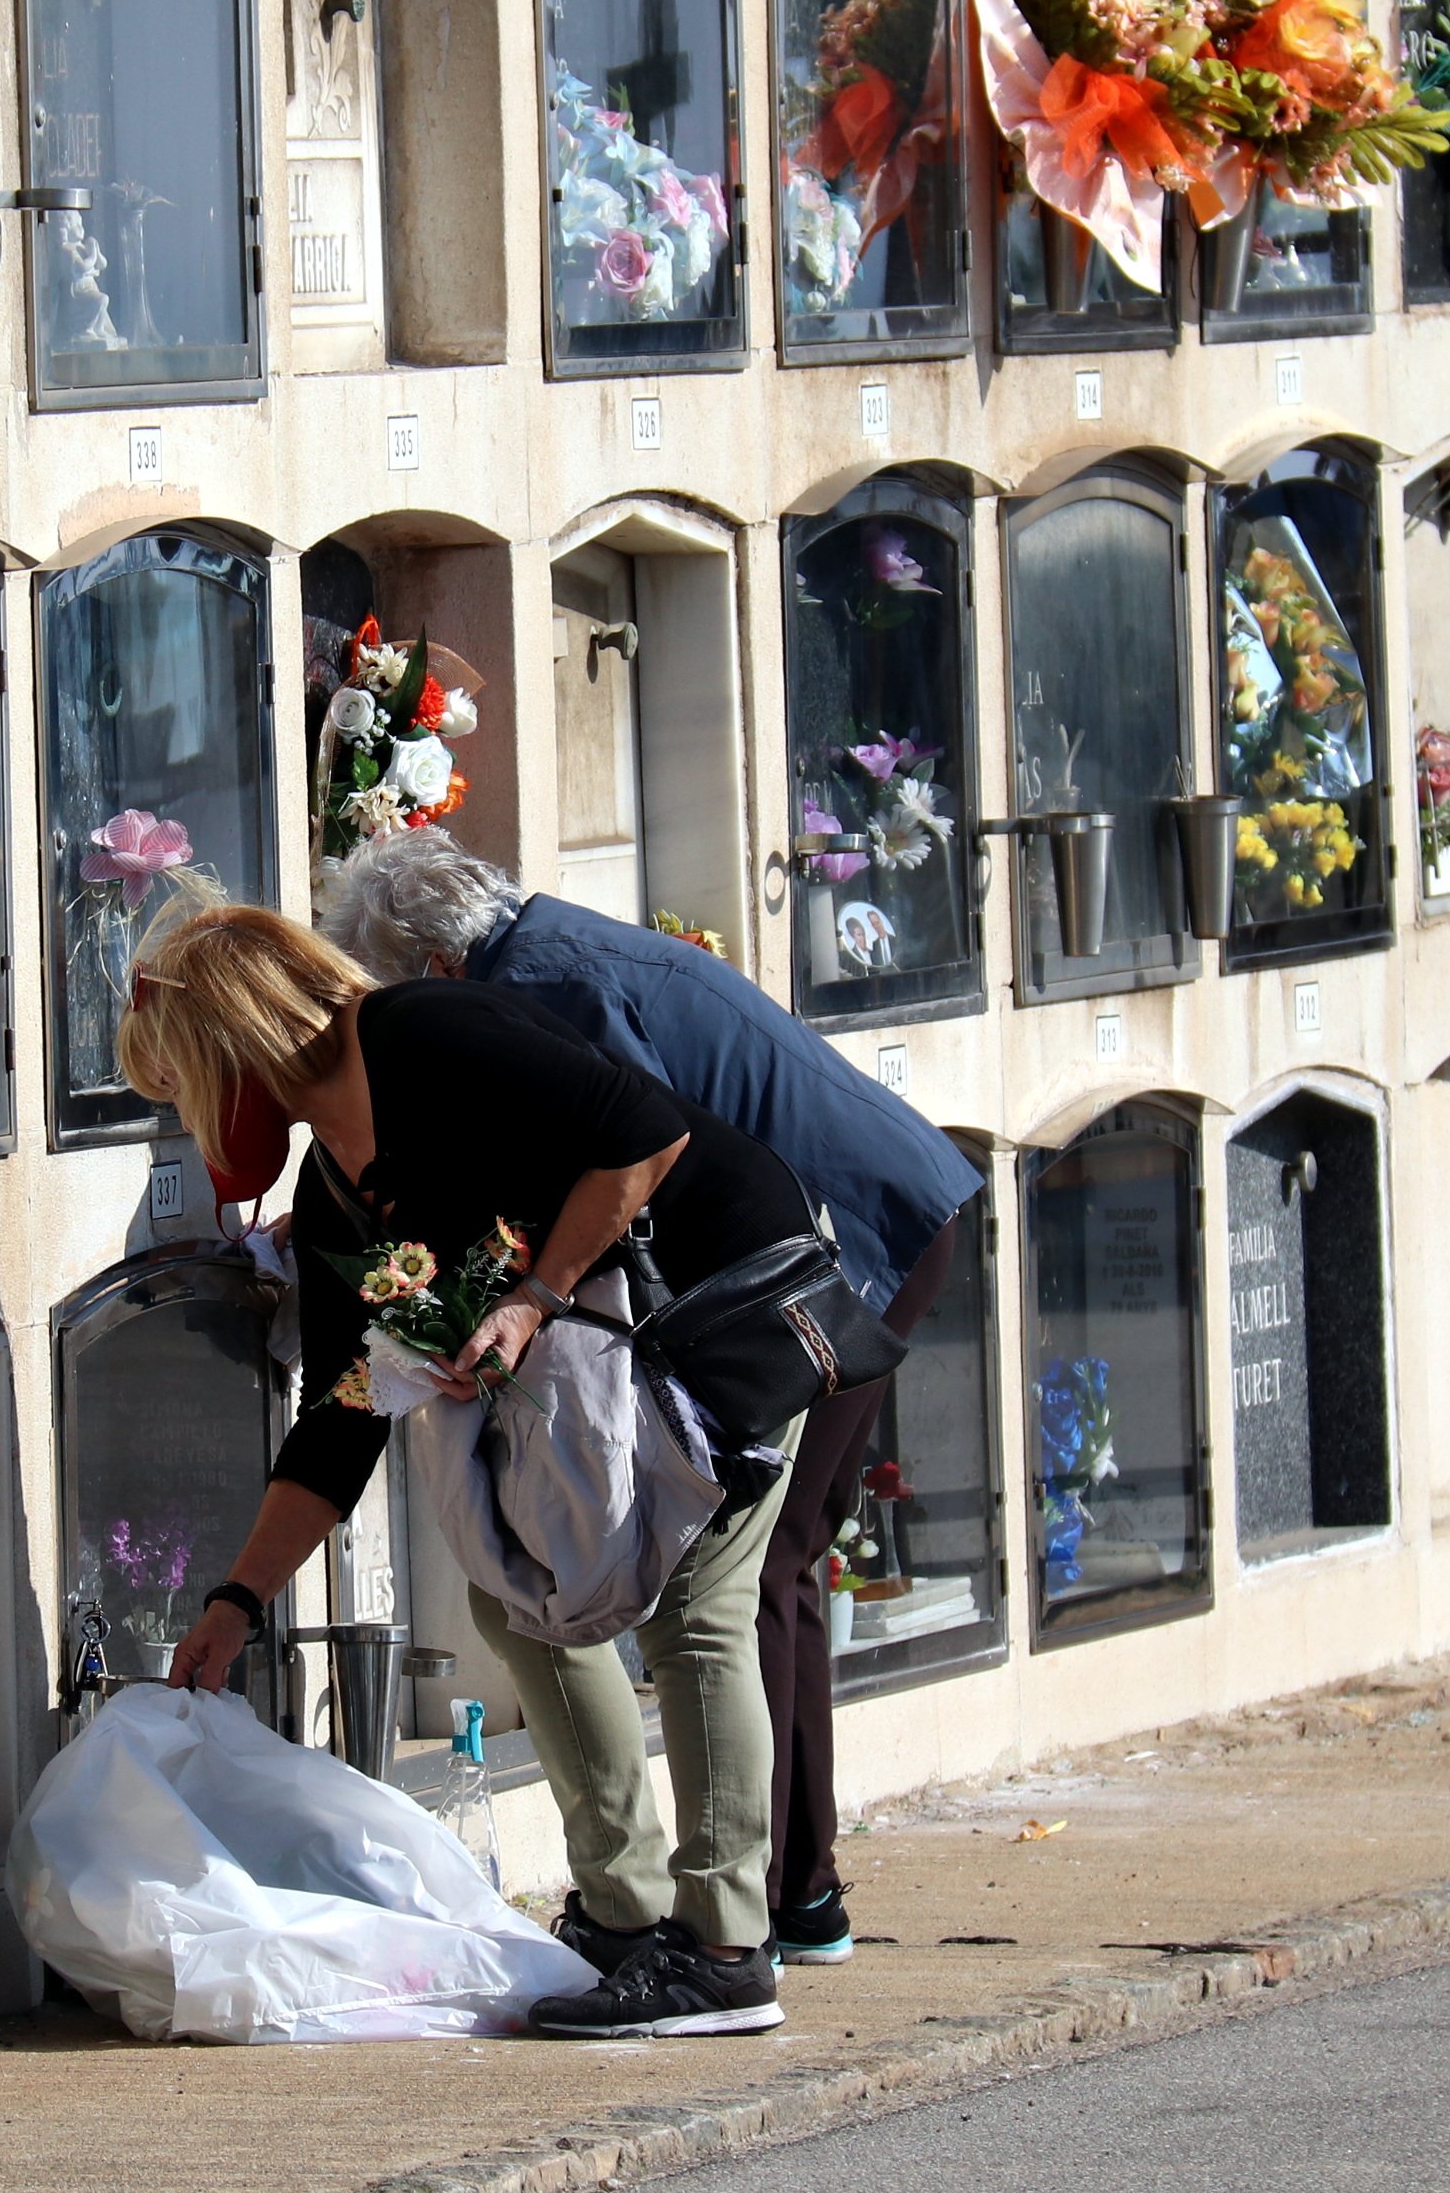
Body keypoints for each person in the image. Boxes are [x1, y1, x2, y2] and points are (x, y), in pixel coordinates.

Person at [117, 893, 818, 2040]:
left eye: (179, 1092)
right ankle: (624, 1916)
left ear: (227, 1053)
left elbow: (644, 1132)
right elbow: (341, 1415)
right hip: (615, 1371)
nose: (194, 1133)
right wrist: (239, 1600)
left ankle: (730, 1947)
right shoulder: (334, 1192)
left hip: (722, 1310)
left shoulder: (419, 1032)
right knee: (517, 1604)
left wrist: (535, 1298)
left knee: (695, 1611)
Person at [320, 825, 981, 1968]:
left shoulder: (541, 988)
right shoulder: (551, 951)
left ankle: (748, 1918)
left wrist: (518, 1288)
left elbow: (632, 1164)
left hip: (852, 1241)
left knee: (740, 1565)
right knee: (778, 1564)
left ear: (426, 967)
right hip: (865, 1223)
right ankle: (797, 1896)